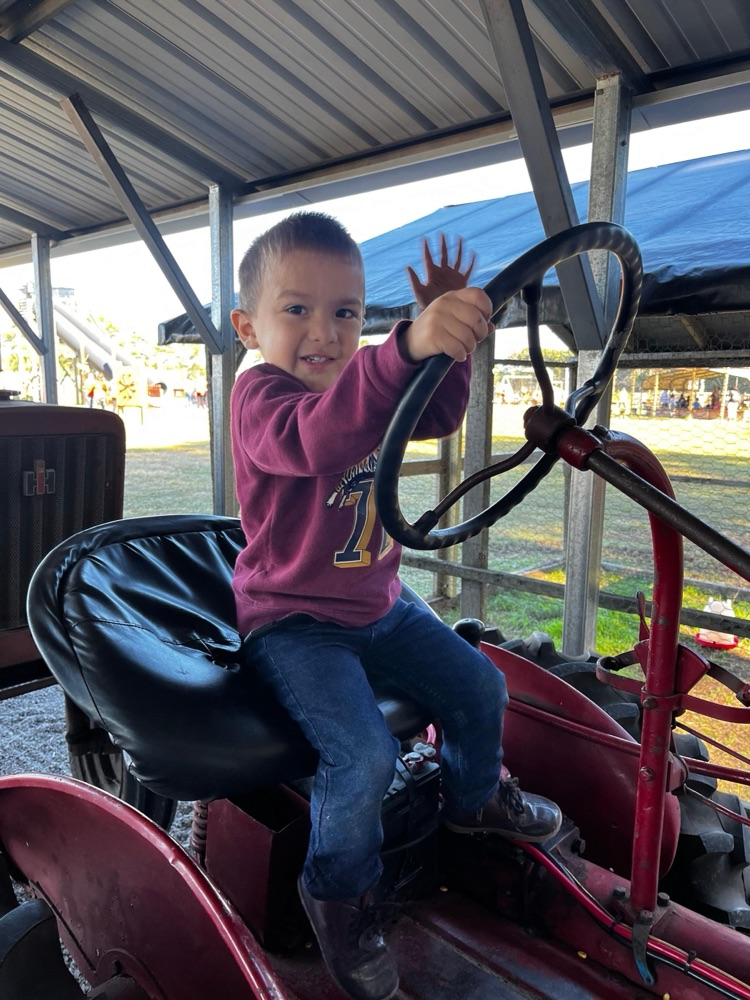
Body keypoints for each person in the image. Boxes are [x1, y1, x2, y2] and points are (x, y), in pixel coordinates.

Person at [230, 212, 562, 1000]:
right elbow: (313, 440)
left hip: (378, 601)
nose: (325, 332)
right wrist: (404, 348)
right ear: (248, 326)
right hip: (294, 620)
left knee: (480, 685)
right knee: (366, 757)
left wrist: (448, 352)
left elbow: (438, 413)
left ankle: (472, 799)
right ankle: (338, 896)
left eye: (346, 312)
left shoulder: (364, 387)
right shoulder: (260, 398)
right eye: (297, 309)